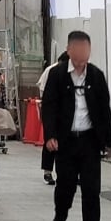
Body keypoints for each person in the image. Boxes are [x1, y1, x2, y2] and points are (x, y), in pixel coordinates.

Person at [41, 30, 111, 221]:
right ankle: (60, 215)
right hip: (66, 142)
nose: (83, 52)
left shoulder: (96, 76)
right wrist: (50, 135)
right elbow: (49, 107)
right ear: (69, 50)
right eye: (78, 48)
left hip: (90, 141)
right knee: (66, 187)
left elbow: (104, 111)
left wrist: (109, 142)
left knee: (92, 191)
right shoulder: (58, 75)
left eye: (86, 48)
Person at [39, 50, 69, 186]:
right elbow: (42, 88)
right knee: (50, 141)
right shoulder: (52, 71)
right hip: (52, 112)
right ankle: (47, 171)